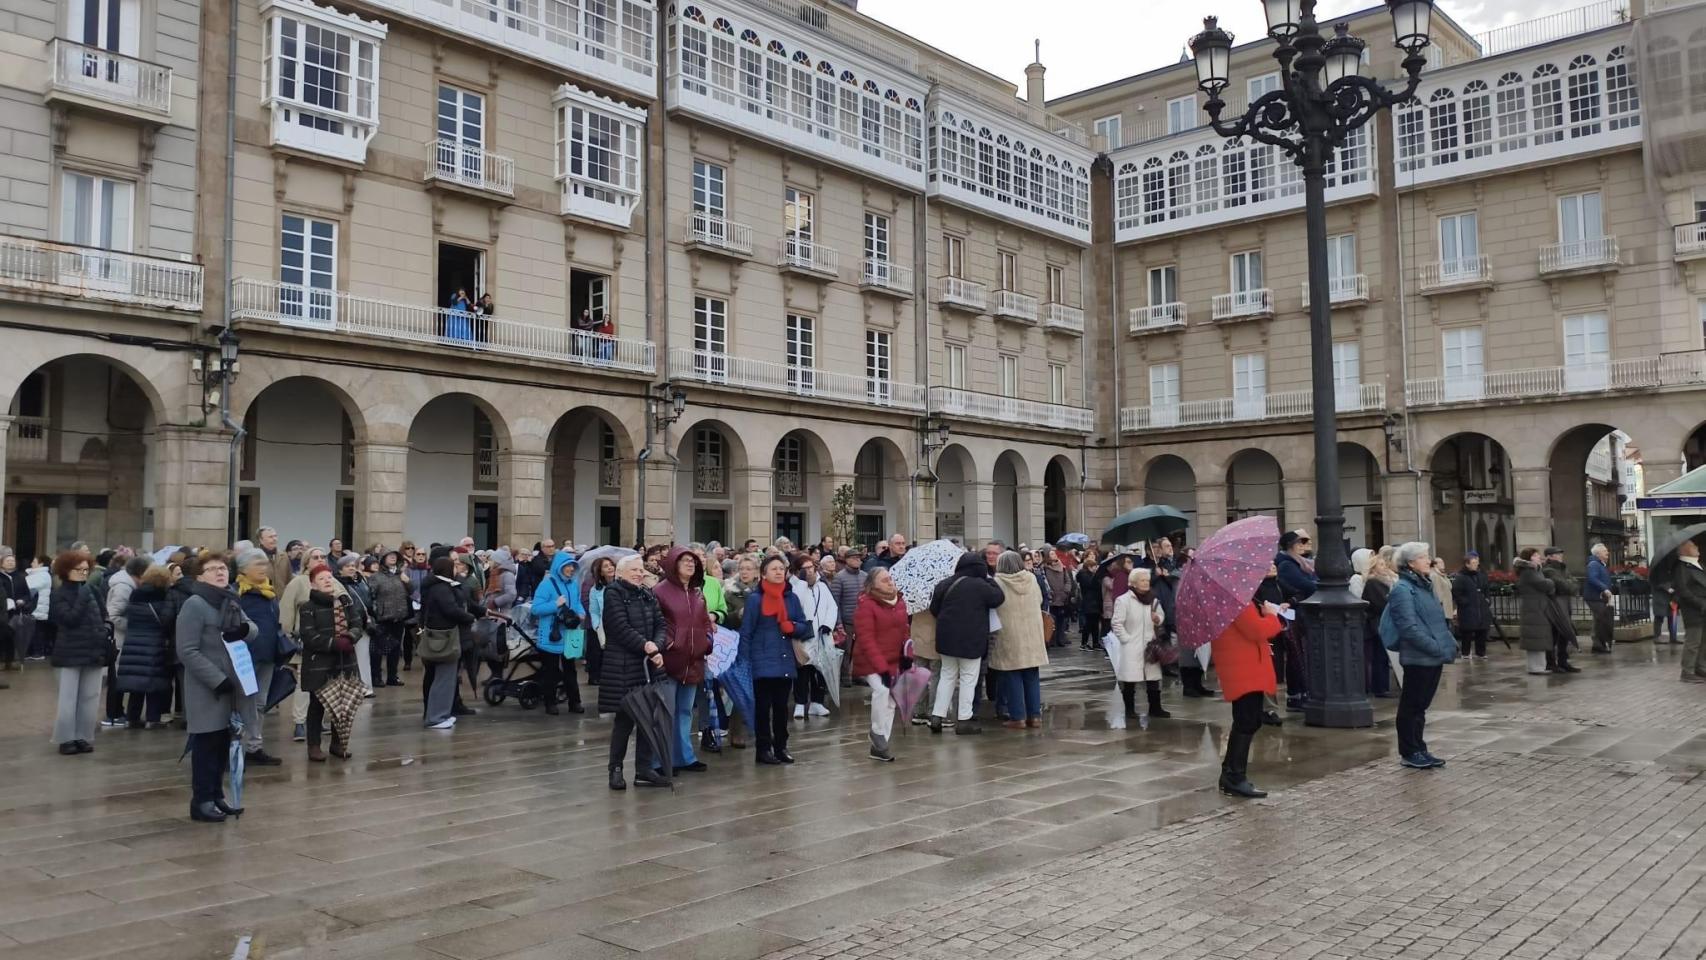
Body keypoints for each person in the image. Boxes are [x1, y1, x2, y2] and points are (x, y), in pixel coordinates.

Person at [176, 553, 256, 822]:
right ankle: (201, 801)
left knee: (224, 741)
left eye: (223, 568)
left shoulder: (230, 599)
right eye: (212, 569)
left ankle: (217, 796)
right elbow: (187, 650)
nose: (220, 572)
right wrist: (216, 679)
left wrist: (243, 630)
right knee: (206, 744)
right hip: (208, 688)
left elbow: (253, 628)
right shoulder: (194, 604)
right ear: (199, 576)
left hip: (233, 685)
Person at [1382, 542, 1456, 770]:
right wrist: (1435, 647)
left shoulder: (1425, 585)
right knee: (1411, 706)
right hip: (1418, 657)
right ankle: (1409, 751)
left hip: (1433, 655)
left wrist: (1447, 644)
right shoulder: (1403, 589)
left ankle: (1419, 748)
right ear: (1411, 563)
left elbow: (1435, 622)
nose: (1429, 560)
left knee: (1421, 706)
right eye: (1423, 557)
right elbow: (1409, 628)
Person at [601, 555, 669, 788]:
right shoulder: (613, 593)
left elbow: (661, 624)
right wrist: (646, 646)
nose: (639, 573)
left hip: (648, 665)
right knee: (625, 720)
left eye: (641, 570)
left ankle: (644, 769)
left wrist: (657, 646)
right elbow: (619, 627)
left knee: (649, 720)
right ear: (620, 573)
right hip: (623, 666)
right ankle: (615, 769)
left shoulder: (647, 593)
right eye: (634, 570)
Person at [740, 555, 807, 765]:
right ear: (763, 574)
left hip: (785, 660)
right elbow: (746, 632)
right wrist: (744, 662)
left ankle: (781, 747)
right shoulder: (755, 599)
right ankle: (763, 749)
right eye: (773, 569)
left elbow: (805, 626)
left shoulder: (791, 598)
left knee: (781, 708)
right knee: (762, 708)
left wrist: (793, 627)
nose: (779, 572)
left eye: (781, 568)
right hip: (761, 660)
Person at [1216, 596, 1285, 798]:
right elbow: (1257, 630)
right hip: (1244, 668)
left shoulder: (1233, 601)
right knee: (1247, 721)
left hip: (1243, 666)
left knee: (1247, 720)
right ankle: (1235, 777)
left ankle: (1229, 772)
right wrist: (1272, 617)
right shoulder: (1237, 602)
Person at [927, 552, 1004, 735]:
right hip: (971, 639)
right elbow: (998, 598)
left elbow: (934, 608)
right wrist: (989, 579)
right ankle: (964, 720)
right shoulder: (980, 585)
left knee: (947, 676)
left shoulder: (945, 583)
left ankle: (937, 716)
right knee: (969, 679)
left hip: (946, 638)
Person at [297, 564, 365, 761]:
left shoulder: (345, 602)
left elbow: (357, 623)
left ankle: (338, 744)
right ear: (313, 584)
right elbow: (309, 635)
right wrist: (334, 643)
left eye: (329, 577)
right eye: (322, 579)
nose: (327, 581)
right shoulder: (308, 607)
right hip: (320, 661)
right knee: (317, 705)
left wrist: (351, 637)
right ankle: (314, 746)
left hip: (344, 660)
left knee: (343, 705)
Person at [655, 547, 712, 773]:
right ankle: (659, 760)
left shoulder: (698, 593)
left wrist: (707, 642)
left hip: (694, 659)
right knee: (664, 712)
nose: (690, 564)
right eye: (685, 561)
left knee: (685, 711)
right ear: (673, 564)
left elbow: (706, 622)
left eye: (693, 561)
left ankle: (685, 757)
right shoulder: (660, 591)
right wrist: (670, 643)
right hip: (670, 659)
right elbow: (656, 623)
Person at [49, 550, 107, 755]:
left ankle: (83, 736)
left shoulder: (93, 590)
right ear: (66, 570)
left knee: (90, 697)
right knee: (68, 698)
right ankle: (66, 739)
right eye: (79, 569)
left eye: (86, 569)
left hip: (93, 650)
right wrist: (82, 596)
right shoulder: (58, 593)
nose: (84, 573)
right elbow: (69, 619)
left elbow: (103, 615)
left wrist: (104, 629)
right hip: (69, 652)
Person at [990, 551, 1048, 730]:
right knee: (1032, 676)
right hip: (1032, 635)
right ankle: (1035, 716)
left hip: (1010, 635)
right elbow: (1039, 600)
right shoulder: (1031, 579)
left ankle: (1018, 717)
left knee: (1012, 675)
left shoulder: (997, 582)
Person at [115, 565, 178, 728]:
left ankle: (132, 718)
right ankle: (152, 718)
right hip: (155, 642)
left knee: (136, 683)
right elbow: (166, 620)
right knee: (154, 683)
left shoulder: (135, 595)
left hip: (133, 642)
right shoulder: (164, 597)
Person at [419, 556, 475, 730]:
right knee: (444, 679)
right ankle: (436, 717)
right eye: (454, 565)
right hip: (445, 637)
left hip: (440, 635)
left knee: (443, 679)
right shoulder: (441, 588)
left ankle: (439, 715)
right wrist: (469, 617)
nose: (457, 567)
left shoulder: (438, 586)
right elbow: (451, 610)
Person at [1111, 566, 1170, 724]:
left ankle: (1155, 708)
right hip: (1132, 646)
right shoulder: (1123, 600)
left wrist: (1157, 618)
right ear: (1134, 583)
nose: (1146, 583)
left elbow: (1162, 616)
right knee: (1130, 681)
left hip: (1150, 645)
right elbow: (1117, 623)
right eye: (1142, 580)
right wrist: (1126, 639)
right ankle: (1130, 710)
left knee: (1153, 679)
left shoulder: (1153, 599)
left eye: (1147, 580)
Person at [529, 551, 585, 716]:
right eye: (567, 566)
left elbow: (578, 603)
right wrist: (555, 604)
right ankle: (550, 703)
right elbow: (536, 609)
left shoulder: (573, 584)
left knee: (570, 671)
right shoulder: (546, 584)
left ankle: (575, 702)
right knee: (550, 671)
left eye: (572, 566)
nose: (570, 569)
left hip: (570, 632)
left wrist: (581, 613)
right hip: (552, 634)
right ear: (559, 568)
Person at [789, 554, 838, 719]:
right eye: (805, 569)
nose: (809, 571)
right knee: (803, 671)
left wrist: (828, 624)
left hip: (821, 636)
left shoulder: (822, 587)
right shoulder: (794, 587)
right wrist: (802, 582)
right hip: (804, 636)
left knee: (821, 671)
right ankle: (800, 703)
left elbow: (832, 607)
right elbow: (796, 604)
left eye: (811, 567)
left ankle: (817, 702)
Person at [1351, 549, 1395, 698]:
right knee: (1378, 656)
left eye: (1384, 564)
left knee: (1380, 656)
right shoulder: (1373, 582)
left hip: (1380, 622)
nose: (1384, 567)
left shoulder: (1383, 581)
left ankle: (1381, 686)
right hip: (1375, 624)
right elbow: (1381, 603)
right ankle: (1379, 687)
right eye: (1380, 564)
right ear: (1373, 567)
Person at [368, 550, 411, 687]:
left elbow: (413, 590)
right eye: (389, 556)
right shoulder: (376, 577)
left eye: (395, 556)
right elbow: (371, 597)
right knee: (378, 651)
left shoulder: (400, 575)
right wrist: (377, 613)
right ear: (383, 559)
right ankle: (376, 677)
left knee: (395, 649)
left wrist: (407, 581)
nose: (393, 558)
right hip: (383, 618)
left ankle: (392, 677)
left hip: (399, 617)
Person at [1669, 540, 1706, 683]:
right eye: (1693, 546)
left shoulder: (1699, 565)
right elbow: (1684, 591)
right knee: (1693, 641)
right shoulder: (1682, 567)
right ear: (1685, 550)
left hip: (1703, 608)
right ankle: (1687, 671)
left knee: (1704, 640)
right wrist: (1701, 603)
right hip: (1694, 610)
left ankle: (1700, 667)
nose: (1697, 548)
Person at [829, 547, 867, 686]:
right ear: (847, 560)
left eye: (858, 558)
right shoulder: (839, 577)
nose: (857, 560)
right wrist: (838, 622)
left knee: (861, 650)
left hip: (862, 620)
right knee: (846, 649)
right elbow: (835, 602)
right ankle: (845, 676)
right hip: (847, 620)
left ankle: (858, 674)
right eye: (853, 558)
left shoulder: (864, 576)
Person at [1515, 548, 1555, 675]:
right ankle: (1536, 667)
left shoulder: (1534, 570)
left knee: (1538, 637)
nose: (1539, 557)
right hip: (1533, 608)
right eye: (1536, 555)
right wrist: (1550, 582)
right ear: (1530, 557)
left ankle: (1538, 666)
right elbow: (1544, 584)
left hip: (1536, 607)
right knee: (1535, 637)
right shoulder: (1529, 571)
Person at [1541, 547, 1579, 673]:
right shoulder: (1548, 570)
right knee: (1553, 635)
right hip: (1554, 606)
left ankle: (1563, 661)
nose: (1560, 556)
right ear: (1549, 556)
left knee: (1564, 634)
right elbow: (1563, 585)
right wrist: (1569, 584)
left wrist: (1569, 584)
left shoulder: (1563, 568)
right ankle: (1550, 662)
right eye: (1557, 554)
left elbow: (1574, 584)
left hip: (1565, 604)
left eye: (1560, 554)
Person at [1452, 552, 1492, 661]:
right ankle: (1465, 652)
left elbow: (1486, 589)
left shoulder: (1481, 575)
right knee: (1467, 632)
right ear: (1467, 564)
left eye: (1477, 562)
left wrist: (1487, 600)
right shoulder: (1460, 577)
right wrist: (1464, 602)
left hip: (1481, 607)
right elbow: (1456, 593)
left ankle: (1481, 652)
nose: (1476, 565)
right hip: (1468, 609)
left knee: (1482, 631)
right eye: (1473, 563)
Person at [586, 555, 617, 689]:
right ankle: (597, 676)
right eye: (606, 566)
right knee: (599, 653)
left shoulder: (620, 584)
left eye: (611, 565)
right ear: (600, 572)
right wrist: (597, 625)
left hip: (618, 624)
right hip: (603, 625)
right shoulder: (595, 590)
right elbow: (594, 610)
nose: (610, 567)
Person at [1041, 547, 1076, 649]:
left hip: (1062, 597)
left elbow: (1068, 581)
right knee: (1051, 620)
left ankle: (1060, 639)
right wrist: (1049, 592)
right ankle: (1051, 640)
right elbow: (1045, 581)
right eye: (1051, 554)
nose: (1053, 555)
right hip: (1052, 597)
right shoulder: (1045, 568)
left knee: (1061, 620)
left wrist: (1066, 591)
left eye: (1054, 554)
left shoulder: (1063, 567)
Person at [1584, 543, 1615, 654]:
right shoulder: (1594, 565)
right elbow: (1592, 578)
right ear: (1598, 554)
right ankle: (1598, 645)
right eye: (1605, 551)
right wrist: (1604, 589)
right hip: (1594, 597)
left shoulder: (1601, 565)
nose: (1607, 553)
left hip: (1599, 597)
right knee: (1601, 619)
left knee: (1599, 620)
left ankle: (1598, 645)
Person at [1076, 551, 1104, 651]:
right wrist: (1096, 577)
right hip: (1089, 603)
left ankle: (1095, 643)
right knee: (1088, 624)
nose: (1095, 569)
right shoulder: (1084, 575)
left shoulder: (1092, 575)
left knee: (1095, 624)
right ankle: (1084, 643)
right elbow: (1090, 585)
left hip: (1095, 603)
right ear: (1089, 567)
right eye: (1094, 567)